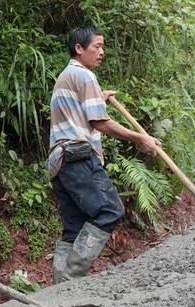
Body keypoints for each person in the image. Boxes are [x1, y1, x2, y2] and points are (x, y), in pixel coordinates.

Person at [48, 25, 160, 284]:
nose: (102, 52)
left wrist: (101, 97)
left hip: (59, 161)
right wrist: (140, 137)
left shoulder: (67, 76)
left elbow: (80, 107)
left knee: (73, 228)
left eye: (102, 47)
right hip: (77, 156)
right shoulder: (85, 76)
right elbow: (99, 122)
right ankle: (71, 279)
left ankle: (59, 293)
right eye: (96, 46)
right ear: (79, 48)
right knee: (110, 210)